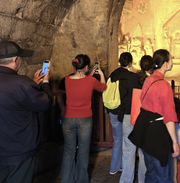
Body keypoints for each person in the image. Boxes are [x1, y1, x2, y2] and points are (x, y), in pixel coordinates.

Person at [0, 40, 53, 183]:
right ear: (16, 60)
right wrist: (45, 83)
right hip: (19, 149)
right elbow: (44, 103)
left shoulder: (23, 85)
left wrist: (32, 85)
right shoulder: (22, 83)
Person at [129, 49, 180, 183]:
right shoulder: (164, 85)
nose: (172, 62)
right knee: (163, 176)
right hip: (158, 134)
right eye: (171, 59)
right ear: (165, 64)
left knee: (150, 173)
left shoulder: (148, 80)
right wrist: (175, 142)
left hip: (145, 132)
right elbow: (169, 117)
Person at [60, 54, 106, 183]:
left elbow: (63, 92)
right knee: (83, 152)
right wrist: (100, 73)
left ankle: (66, 180)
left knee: (69, 151)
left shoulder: (66, 79)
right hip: (85, 119)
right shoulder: (90, 81)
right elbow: (103, 87)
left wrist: (63, 110)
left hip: (68, 118)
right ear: (86, 67)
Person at [106, 52, 140, 183]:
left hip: (113, 110)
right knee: (128, 143)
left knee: (117, 139)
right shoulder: (132, 77)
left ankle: (115, 167)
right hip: (125, 112)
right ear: (130, 63)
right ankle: (127, 173)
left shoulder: (113, 74)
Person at [135, 55, 153, 183]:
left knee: (142, 153)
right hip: (149, 118)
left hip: (138, 117)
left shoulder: (135, 78)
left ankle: (142, 180)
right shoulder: (152, 81)